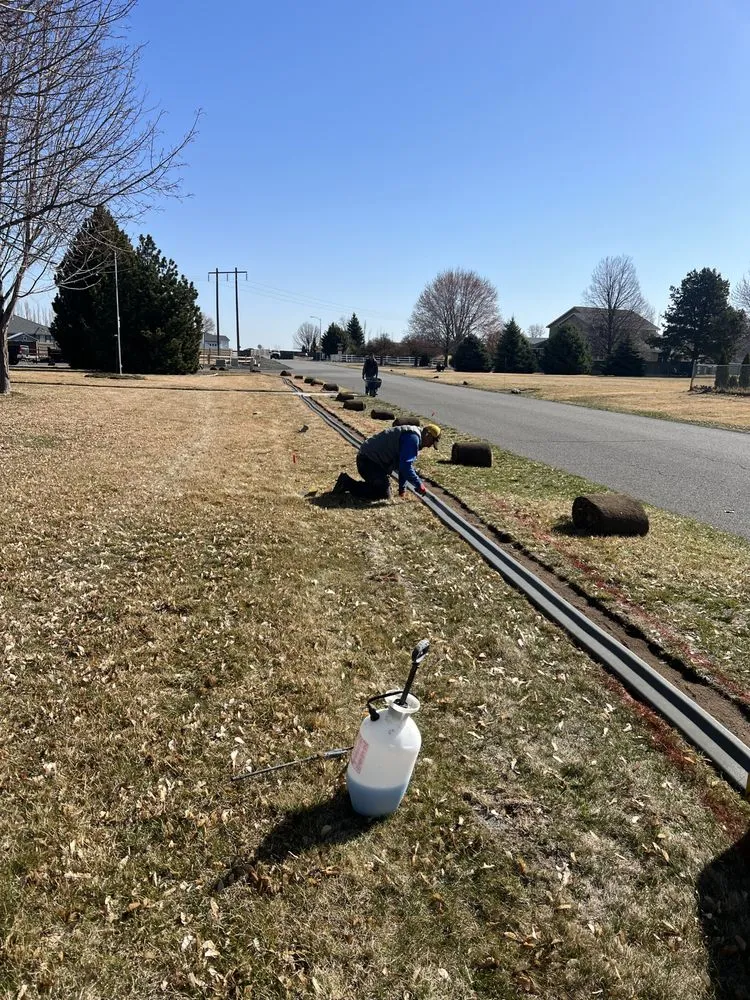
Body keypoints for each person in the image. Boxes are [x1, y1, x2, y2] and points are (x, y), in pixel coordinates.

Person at [332, 423, 441, 500]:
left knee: (383, 490)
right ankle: (347, 483)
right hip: (367, 462)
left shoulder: (413, 436)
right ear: (427, 434)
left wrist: (402, 490)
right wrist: (419, 484)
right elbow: (405, 467)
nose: (430, 446)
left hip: (372, 461)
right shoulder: (412, 439)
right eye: (432, 442)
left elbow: (402, 465)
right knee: (383, 494)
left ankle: (356, 484)